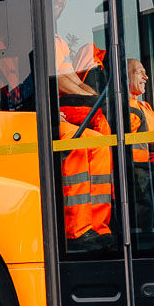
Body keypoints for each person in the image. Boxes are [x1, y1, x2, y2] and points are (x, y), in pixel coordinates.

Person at [58, 42, 113, 246]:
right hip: (38, 114)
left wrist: (95, 98)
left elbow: (74, 81)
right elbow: (54, 80)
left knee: (100, 142)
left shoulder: (57, 43)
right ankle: (77, 229)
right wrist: (93, 99)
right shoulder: (38, 38)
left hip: (58, 112)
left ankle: (98, 225)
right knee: (77, 142)